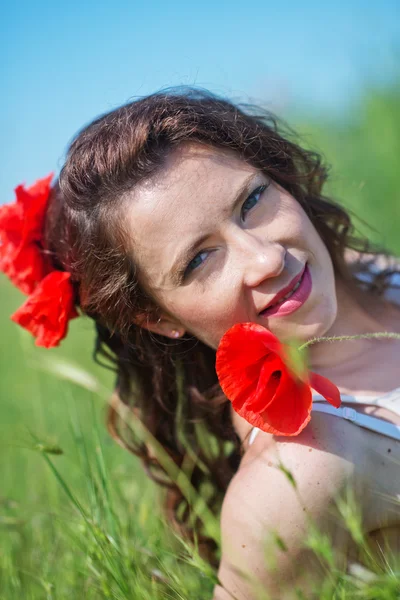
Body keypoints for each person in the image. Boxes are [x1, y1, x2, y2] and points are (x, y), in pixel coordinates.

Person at [2, 88, 400, 599]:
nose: (266, 260)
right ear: (157, 317)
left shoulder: (378, 276)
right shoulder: (305, 467)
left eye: (252, 201)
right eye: (198, 261)